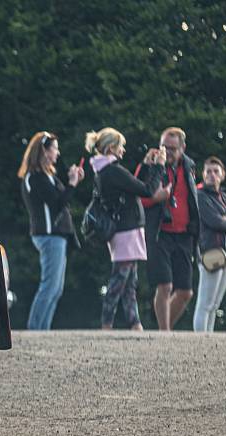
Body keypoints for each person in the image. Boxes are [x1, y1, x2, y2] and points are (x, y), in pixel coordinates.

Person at [86, 128, 169, 330]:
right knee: (120, 280)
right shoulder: (113, 170)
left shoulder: (105, 170)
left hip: (124, 230)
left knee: (129, 281)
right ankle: (106, 324)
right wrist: (159, 167)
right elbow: (147, 190)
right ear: (112, 148)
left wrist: (146, 165)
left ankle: (135, 323)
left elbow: (133, 184)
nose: (123, 150)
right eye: (121, 146)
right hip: (126, 230)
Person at [17, 131, 85, 330]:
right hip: (48, 236)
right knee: (49, 287)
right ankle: (35, 331)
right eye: (55, 148)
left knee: (56, 289)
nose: (58, 152)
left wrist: (73, 182)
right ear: (44, 151)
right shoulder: (35, 177)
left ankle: (42, 331)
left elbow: (61, 200)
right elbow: (57, 203)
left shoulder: (47, 175)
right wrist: (72, 183)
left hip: (56, 237)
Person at [137, 127, 200, 330]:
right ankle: (164, 335)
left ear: (183, 148)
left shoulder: (189, 167)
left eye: (172, 148)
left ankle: (163, 331)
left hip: (184, 234)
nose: (167, 151)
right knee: (164, 285)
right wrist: (157, 195)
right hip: (159, 232)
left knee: (185, 291)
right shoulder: (151, 165)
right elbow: (140, 198)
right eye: (164, 146)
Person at [193, 157, 226, 331]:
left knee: (215, 304)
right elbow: (215, 221)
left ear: (223, 175)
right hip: (210, 252)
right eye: (208, 171)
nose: (212, 175)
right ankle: (200, 342)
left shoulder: (225, 197)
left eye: (216, 171)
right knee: (205, 302)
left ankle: (209, 342)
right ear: (203, 174)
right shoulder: (200, 196)